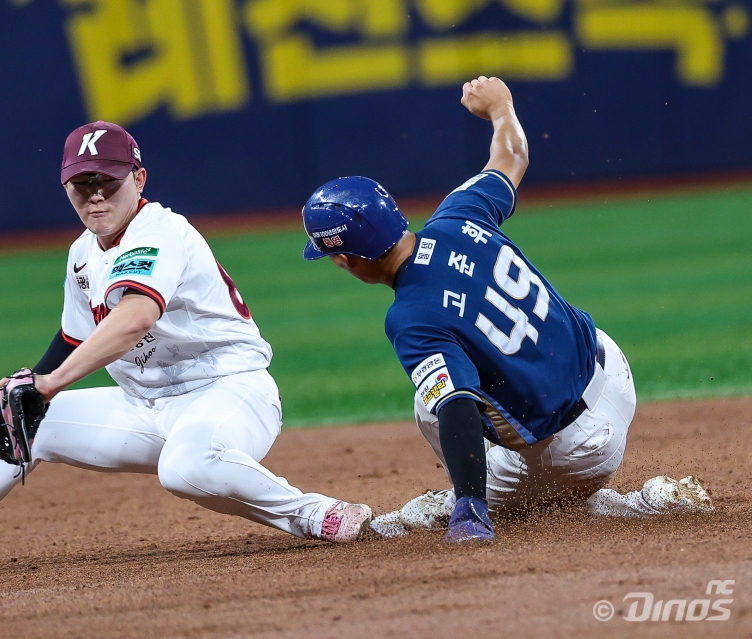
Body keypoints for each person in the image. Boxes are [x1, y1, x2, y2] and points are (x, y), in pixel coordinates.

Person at [0, 121, 373, 586]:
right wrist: (29, 383)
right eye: (83, 184)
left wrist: (50, 385)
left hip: (230, 393)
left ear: (139, 179)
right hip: (144, 407)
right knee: (17, 419)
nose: (96, 194)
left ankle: (310, 513)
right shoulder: (84, 252)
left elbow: (134, 319)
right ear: (66, 187)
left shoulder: (159, 231)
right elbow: (75, 338)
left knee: (186, 466)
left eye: (109, 181)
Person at [299, 76, 712, 544]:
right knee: (469, 377)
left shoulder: (410, 316)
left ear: (344, 259)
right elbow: (511, 156)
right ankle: (549, 487)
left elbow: (455, 406)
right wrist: (501, 108)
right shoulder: (459, 214)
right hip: (613, 372)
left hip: (584, 450)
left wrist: (471, 508)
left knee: (432, 403)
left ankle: (625, 504)